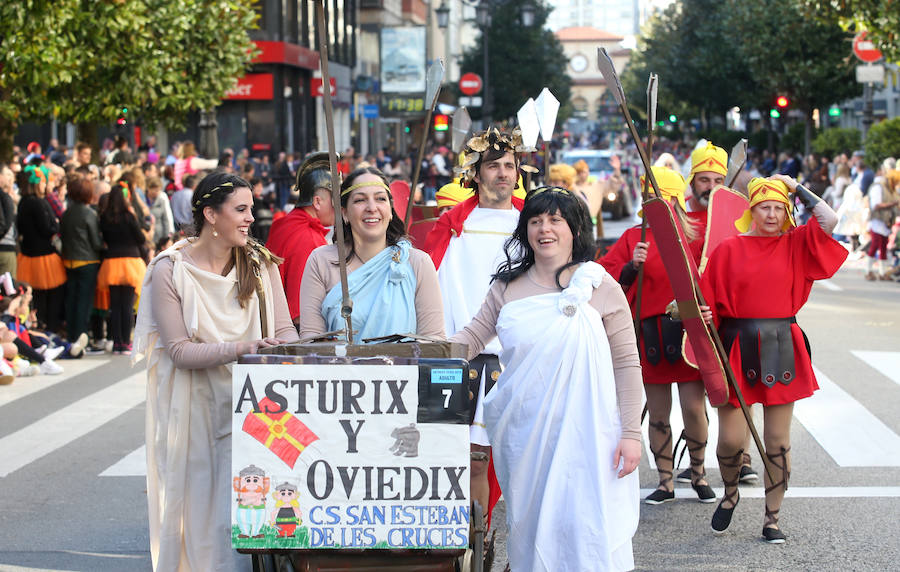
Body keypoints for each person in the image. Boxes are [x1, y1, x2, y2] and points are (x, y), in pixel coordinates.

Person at [451, 186, 642, 570]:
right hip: (525, 435)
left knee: (586, 525)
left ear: (574, 228)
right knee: (532, 527)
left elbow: (627, 363)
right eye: (536, 220)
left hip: (590, 434)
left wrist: (631, 435)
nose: (545, 228)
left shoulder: (600, 285)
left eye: (555, 219)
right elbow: (470, 339)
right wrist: (415, 356)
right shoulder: (506, 286)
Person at [134, 172, 300, 571]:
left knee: (253, 510)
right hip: (194, 408)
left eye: (252, 210)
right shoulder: (168, 270)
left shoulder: (260, 264)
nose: (250, 219)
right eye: (241, 210)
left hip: (259, 410)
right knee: (202, 515)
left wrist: (293, 350)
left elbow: (284, 332)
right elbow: (178, 351)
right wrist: (244, 348)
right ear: (210, 214)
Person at [702, 175, 846, 543]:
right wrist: (702, 315)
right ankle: (731, 493)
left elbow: (829, 220)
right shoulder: (728, 249)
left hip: (783, 341)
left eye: (778, 207)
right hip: (735, 342)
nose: (771, 214)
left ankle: (772, 517)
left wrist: (795, 187)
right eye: (764, 207)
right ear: (752, 210)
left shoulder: (797, 243)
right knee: (732, 440)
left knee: (778, 441)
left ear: (787, 211)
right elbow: (706, 302)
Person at [423, 128, 528, 526]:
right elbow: (427, 281)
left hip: (514, 359)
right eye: (493, 166)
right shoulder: (452, 225)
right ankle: (470, 547)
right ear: (476, 173)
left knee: (523, 461)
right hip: (457, 358)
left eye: (509, 166)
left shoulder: (533, 222)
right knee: (463, 460)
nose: (502, 173)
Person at [599, 166, 716, 505]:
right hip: (649, 335)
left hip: (687, 335)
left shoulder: (693, 237)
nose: (660, 205)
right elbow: (606, 278)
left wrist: (709, 310)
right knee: (659, 413)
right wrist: (631, 267)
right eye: (653, 199)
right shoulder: (633, 238)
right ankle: (665, 480)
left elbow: (709, 281)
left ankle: (698, 473)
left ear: (677, 200)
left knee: (694, 410)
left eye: (664, 198)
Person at [682, 141, 760, 484]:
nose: (711, 187)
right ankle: (697, 466)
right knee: (692, 398)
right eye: (704, 180)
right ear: (693, 181)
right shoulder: (680, 216)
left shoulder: (739, 218)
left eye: (717, 180)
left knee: (738, 392)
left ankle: (741, 457)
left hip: (729, 319)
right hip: (689, 317)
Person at [299, 167, 444, 341]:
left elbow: (434, 341)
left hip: (403, 367)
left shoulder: (417, 263)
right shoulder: (321, 261)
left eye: (380, 199)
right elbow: (312, 341)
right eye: (360, 200)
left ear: (390, 210)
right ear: (344, 213)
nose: (372, 208)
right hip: (338, 367)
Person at [266, 152, 335, 324]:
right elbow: (300, 313)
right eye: (335, 200)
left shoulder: (286, 223)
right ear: (317, 202)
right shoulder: (308, 238)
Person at [98, 180, 148, 354]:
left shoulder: (104, 217)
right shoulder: (129, 216)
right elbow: (141, 239)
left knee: (115, 305)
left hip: (111, 262)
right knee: (127, 305)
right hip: (130, 262)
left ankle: (116, 341)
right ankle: (126, 342)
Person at [15, 165, 66, 333]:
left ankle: (39, 328)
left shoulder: (23, 202)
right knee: (49, 295)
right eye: (43, 182)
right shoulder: (38, 203)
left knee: (35, 296)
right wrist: (56, 226)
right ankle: (48, 328)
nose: (45, 186)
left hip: (27, 255)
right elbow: (47, 228)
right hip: (44, 256)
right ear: (37, 184)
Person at [60, 173, 102, 346]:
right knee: (84, 301)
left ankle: (71, 335)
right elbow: (96, 242)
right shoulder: (89, 214)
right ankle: (81, 336)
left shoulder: (66, 213)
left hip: (68, 260)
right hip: (87, 261)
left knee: (71, 299)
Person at [864, 163, 900, 280]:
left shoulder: (890, 189)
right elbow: (876, 205)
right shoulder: (878, 187)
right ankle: (868, 271)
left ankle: (882, 272)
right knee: (875, 244)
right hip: (877, 219)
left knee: (883, 245)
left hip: (886, 220)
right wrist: (892, 204)